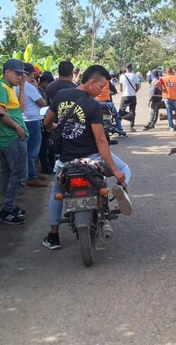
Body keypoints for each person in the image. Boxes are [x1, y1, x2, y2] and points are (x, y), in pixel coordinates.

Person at [40, 65, 134, 249]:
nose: (101, 92)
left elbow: (47, 122)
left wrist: (55, 130)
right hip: (92, 160)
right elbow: (100, 140)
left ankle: (53, 236)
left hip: (65, 161)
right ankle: (121, 189)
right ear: (91, 82)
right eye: (101, 87)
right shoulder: (93, 105)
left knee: (56, 191)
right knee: (124, 170)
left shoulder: (61, 96)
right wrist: (114, 171)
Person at [0, 58, 29, 225]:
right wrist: (17, 128)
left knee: (8, 172)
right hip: (11, 137)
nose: (20, 77)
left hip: (7, 138)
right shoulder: (0, 87)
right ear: (7, 72)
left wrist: (21, 88)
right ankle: (7, 209)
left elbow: (21, 109)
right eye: (17, 74)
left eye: (22, 75)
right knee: (20, 174)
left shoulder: (8, 88)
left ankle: (9, 206)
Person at [15, 63, 48, 187]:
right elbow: (42, 103)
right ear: (32, 74)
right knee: (32, 151)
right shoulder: (28, 87)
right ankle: (31, 176)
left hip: (24, 120)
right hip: (32, 121)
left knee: (28, 149)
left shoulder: (17, 86)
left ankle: (31, 172)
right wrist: (36, 88)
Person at [37, 71, 55, 174]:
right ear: (45, 82)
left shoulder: (42, 90)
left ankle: (49, 165)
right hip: (42, 120)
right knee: (43, 146)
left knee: (47, 144)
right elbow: (43, 104)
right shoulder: (38, 91)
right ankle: (45, 167)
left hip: (45, 119)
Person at [159, 67, 176, 132]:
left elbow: (156, 84)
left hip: (167, 97)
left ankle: (171, 127)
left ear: (166, 72)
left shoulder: (163, 78)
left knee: (169, 113)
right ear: (172, 71)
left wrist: (162, 89)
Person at [119, 63, 140, 132]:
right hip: (133, 96)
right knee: (132, 111)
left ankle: (119, 126)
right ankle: (131, 127)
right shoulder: (134, 76)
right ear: (131, 68)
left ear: (126, 68)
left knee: (121, 111)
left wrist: (124, 91)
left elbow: (120, 88)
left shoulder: (122, 76)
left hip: (125, 96)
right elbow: (137, 87)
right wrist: (134, 92)